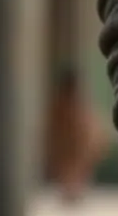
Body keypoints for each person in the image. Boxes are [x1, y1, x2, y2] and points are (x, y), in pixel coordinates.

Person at [45, 67, 110, 203]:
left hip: (74, 147)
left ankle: (72, 189)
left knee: (73, 166)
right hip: (69, 147)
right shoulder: (62, 106)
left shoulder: (75, 106)